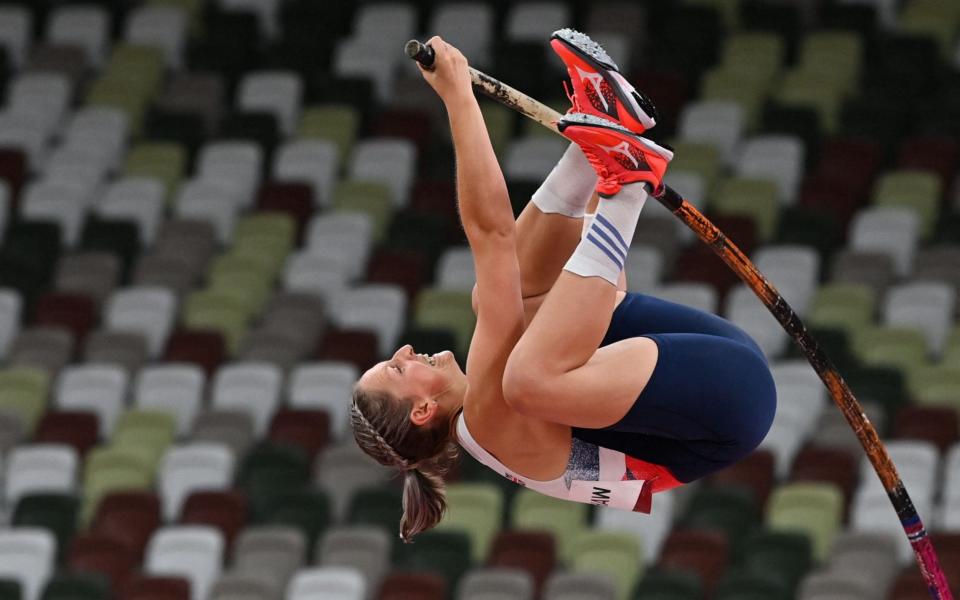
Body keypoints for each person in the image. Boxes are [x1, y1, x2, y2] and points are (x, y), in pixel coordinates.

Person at [350, 30, 777, 543]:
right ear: (422, 411)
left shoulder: (491, 412)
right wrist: (457, 96)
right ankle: (626, 179)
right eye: (397, 368)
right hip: (730, 405)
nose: (404, 350)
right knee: (525, 377)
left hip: (702, 369)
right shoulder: (488, 422)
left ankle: (602, 142)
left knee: (497, 307)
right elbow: (492, 237)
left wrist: (595, 177)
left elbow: (598, 303)